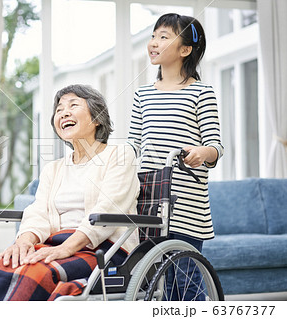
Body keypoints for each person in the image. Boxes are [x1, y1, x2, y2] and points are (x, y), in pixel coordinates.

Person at [0, 84, 140, 301]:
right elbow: (39, 212)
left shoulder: (120, 155)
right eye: (59, 109)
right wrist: (24, 242)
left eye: (73, 105)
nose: (63, 112)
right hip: (57, 243)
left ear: (98, 119)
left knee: (35, 272)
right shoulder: (53, 168)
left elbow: (109, 208)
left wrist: (66, 248)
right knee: (2, 267)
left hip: (105, 250)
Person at [128, 13, 224, 300]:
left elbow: (216, 146)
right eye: (153, 35)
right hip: (150, 199)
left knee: (184, 281)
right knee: (153, 284)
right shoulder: (142, 94)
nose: (154, 42)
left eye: (164, 36)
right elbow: (134, 145)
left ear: (185, 50)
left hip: (187, 206)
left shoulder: (201, 92)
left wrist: (202, 153)